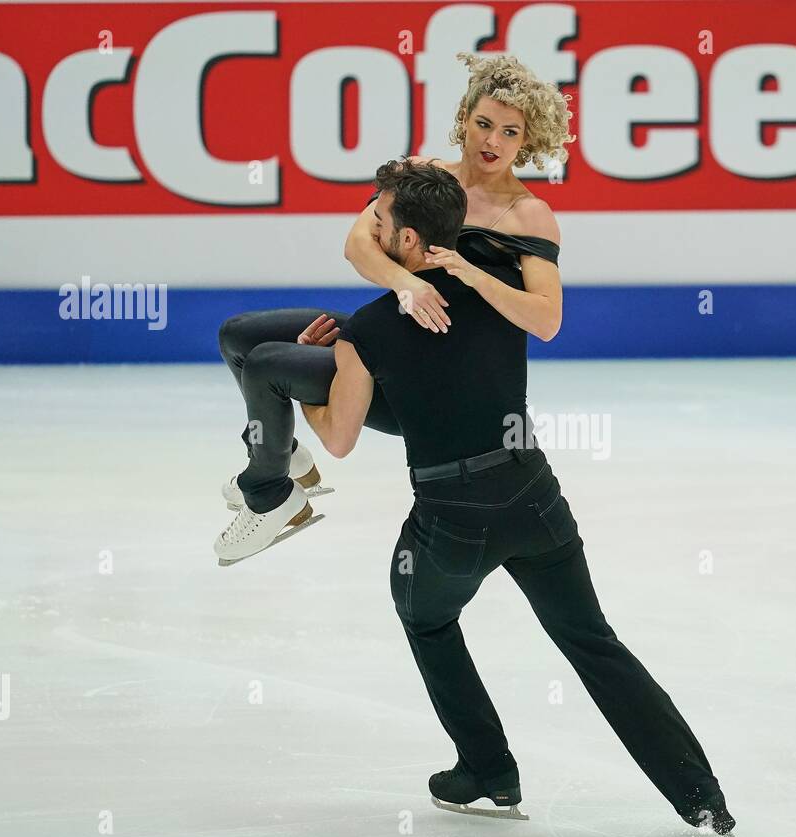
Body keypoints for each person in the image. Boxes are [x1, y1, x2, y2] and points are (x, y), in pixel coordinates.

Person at [300, 158, 736, 834]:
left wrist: (307, 391)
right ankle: (701, 793)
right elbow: (540, 314)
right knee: (593, 641)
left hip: (452, 520)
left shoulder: (367, 331)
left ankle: (488, 766)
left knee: (425, 615)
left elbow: (338, 440)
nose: (370, 227)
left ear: (409, 240)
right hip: (534, 498)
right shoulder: (503, 290)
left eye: (380, 218)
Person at [214, 53, 571, 563]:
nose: (492, 142)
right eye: (483, 123)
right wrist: (407, 284)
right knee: (239, 336)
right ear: (463, 118)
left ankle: (269, 495)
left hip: (431, 382)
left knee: (269, 365)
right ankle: (282, 458)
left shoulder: (528, 215)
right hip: (386, 343)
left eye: (510, 132)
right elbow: (358, 244)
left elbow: (547, 319)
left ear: (527, 138)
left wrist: (471, 274)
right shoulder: (423, 177)